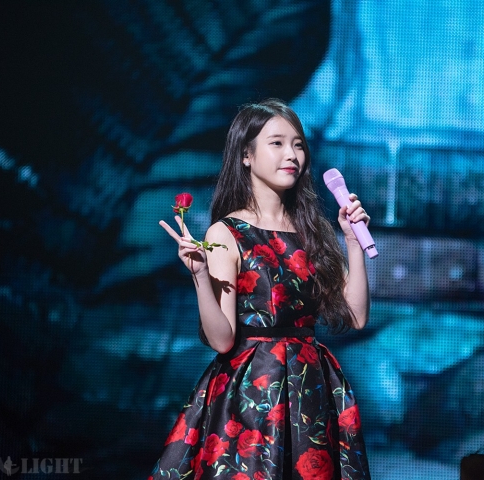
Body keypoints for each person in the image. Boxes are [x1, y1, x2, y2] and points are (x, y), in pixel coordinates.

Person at [150, 99, 372, 479]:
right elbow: (222, 340)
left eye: (298, 145)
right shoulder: (226, 233)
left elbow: (357, 316)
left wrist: (353, 242)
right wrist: (200, 276)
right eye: (277, 143)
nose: (292, 155)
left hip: (309, 387)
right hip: (254, 391)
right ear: (246, 155)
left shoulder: (313, 231)